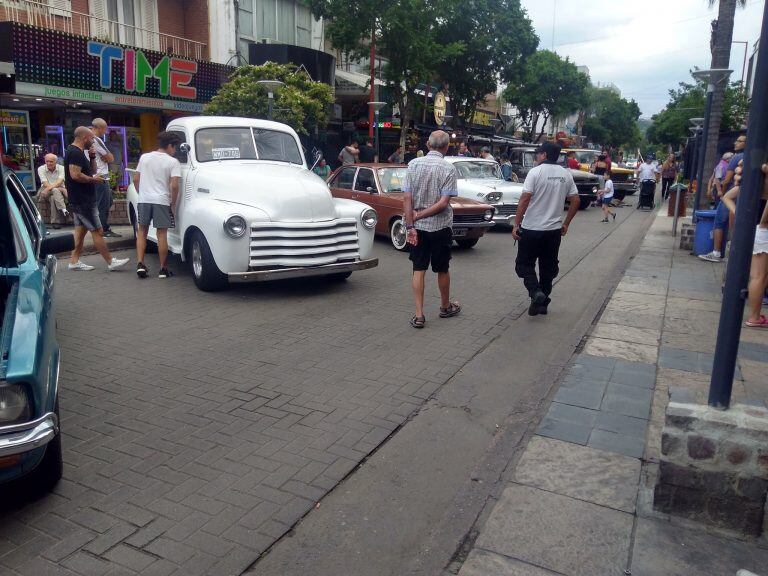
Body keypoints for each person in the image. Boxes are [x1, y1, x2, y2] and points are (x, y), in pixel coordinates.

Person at [513, 141, 580, 316]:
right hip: (553, 231)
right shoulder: (565, 174)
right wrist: (566, 223)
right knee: (548, 268)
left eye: (538, 153)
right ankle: (541, 305)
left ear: (544, 155)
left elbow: (524, 199)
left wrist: (516, 224)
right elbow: (576, 200)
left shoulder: (535, 172)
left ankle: (536, 293)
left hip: (532, 229)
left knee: (523, 265)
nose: (536, 156)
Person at [403, 130, 461, 329]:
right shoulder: (448, 169)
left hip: (417, 228)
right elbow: (444, 203)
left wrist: (412, 222)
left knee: (418, 269)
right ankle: (445, 306)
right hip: (440, 227)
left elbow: (407, 198)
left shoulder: (413, 165)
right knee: (442, 269)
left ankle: (419, 315)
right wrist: (420, 215)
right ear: (446, 147)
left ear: (428, 145)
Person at [65, 126, 129, 272]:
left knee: (80, 233)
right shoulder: (75, 152)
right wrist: (93, 181)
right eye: (92, 138)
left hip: (82, 198)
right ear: (85, 138)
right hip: (83, 199)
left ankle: (74, 261)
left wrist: (93, 157)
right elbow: (75, 175)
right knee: (98, 230)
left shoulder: (80, 152)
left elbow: (92, 171)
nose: (93, 141)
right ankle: (111, 261)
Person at [133, 131, 183, 279]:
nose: (175, 151)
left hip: (144, 199)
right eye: (175, 148)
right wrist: (172, 203)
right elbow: (174, 186)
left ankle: (140, 264)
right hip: (161, 200)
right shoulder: (173, 162)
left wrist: (141, 193)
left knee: (142, 231)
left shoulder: (145, 157)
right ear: (169, 146)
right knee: (162, 234)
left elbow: (136, 179)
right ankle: (163, 269)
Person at [699, 160, 743, 262]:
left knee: (719, 222)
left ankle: (717, 252)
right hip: (732, 196)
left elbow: (719, 180)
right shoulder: (728, 166)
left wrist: (720, 192)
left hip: (727, 195)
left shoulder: (722, 165)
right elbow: (714, 179)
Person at [745, 164, 768, 328]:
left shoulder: (756, 172)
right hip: (763, 229)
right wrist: (763, 223)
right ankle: (754, 316)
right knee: (760, 276)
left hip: (757, 227)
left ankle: (755, 315)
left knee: (758, 276)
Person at [90, 118, 118, 237]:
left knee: (107, 201)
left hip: (98, 175)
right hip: (100, 176)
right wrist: (107, 157)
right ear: (99, 128)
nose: (105, 132)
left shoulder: (89, 139)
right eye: (105, 128)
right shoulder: (96, 140)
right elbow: (111, 158)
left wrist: (106, 157)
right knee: (103, 204)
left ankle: (101, 227)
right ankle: (103, 230)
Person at [36, 153, 68, 229]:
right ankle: (63, 209)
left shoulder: (61, 168)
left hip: (56, 190)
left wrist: (52, 188)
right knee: (54, 190)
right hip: (45, 190)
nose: (49, 163)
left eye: (51, 161)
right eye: (47, 161)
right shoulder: (41, 168)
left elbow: (59, 182)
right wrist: (60, 189)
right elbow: (45, 183)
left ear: (56, 162)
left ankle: (55, 222)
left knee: (54, 198)